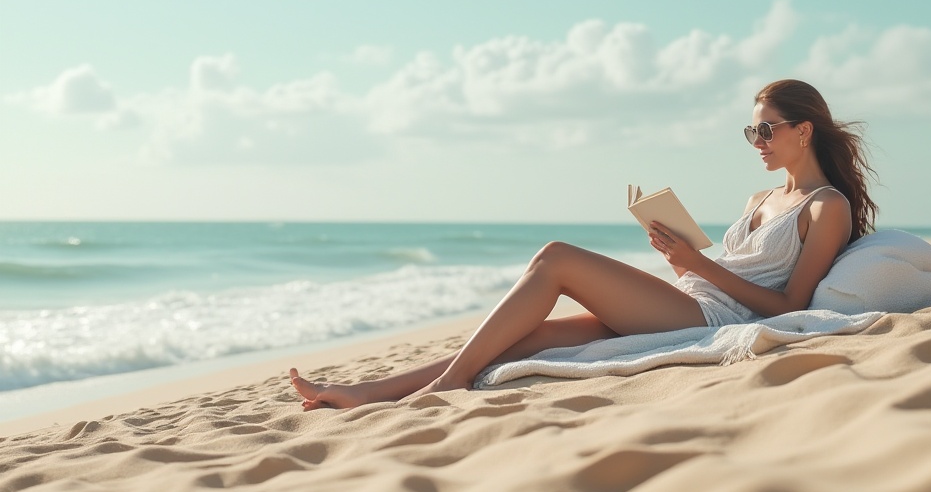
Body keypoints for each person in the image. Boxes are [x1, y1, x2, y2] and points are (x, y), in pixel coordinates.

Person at [289, 78, 878, 409]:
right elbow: (724, 267)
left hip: (712, 315)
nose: (757, 140)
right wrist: (684, 258)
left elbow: (793, 308)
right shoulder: (758, 198)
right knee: (527, 337)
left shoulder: (826, 207)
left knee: (556, 257)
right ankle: (365, 392)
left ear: (803, 130)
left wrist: (697, 264)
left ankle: (445, 386)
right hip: (689, 297)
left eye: (766, 129)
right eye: (752, 129)